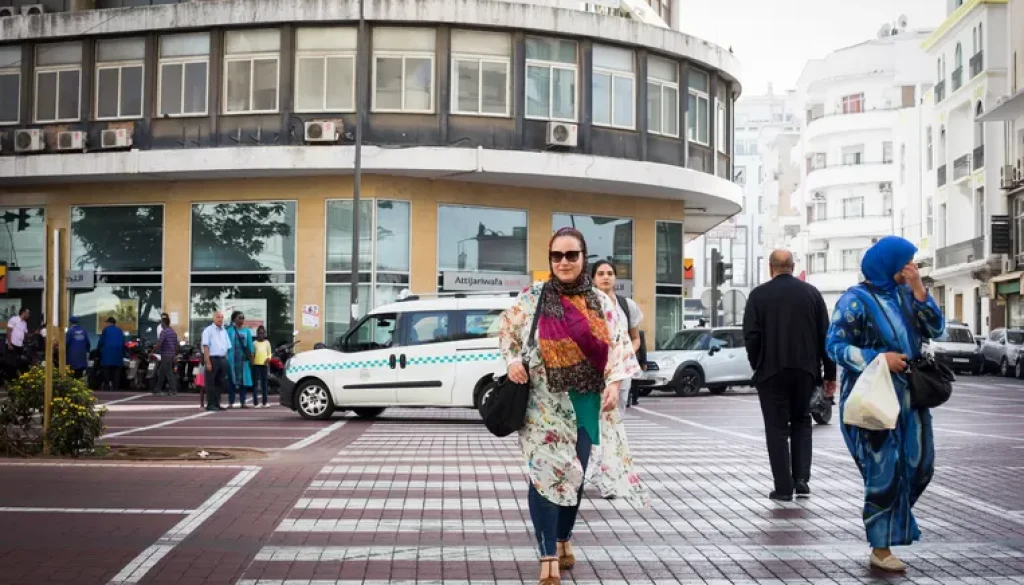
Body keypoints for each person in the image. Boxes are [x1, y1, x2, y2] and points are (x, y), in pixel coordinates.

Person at [498, 227, 648, 585]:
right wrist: (512, 362)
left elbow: (618, 347)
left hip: (585, 401)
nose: (563, 262)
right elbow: (507, 332)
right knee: (542, 478)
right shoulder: (532, 298)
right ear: (550, 260)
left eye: (571, 255)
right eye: (557, 256)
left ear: (583, 257)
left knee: (575, 477)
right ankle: (547, 553)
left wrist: (613, 383)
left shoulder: (602, 302)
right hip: (540, 404)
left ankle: (564, 535)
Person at [826, 236, 944, 572]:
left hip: (911, 398)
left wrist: (920, 288)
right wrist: (879, 359)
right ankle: (881, 547)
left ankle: (892, 521)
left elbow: (936, 328)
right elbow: (834, 345)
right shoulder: (855, 300)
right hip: (873, 400)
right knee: (884, 473)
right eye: (906, 261)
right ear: (888, 263)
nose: (910, 267)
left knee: (921, 466)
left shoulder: (907, 295)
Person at [742, 250, 836, 502]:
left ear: (771, 268)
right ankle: (802, 480)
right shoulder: (812, 294)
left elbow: (751, 336)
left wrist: (758, 364)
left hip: (771, 372)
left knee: (776, 429)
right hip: (806, 371)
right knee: (802, 422)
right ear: (792, 267)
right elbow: (825, 336)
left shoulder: (758, 295)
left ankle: (783, 487)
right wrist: (829, 373)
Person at [590, 260, 643, 412]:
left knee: (617, 415)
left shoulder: (627, 305)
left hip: (621, 371)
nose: (605, 277)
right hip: (595, 371)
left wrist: (625, 353)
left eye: (610, 274)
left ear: (615, 278)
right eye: (600, 274)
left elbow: (636, 338)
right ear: (593, 279)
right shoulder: (586, 305)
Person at [202, 311, 231, 412]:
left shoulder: (224, 331)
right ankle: (210, 404)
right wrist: (208, 362)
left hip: (222, 359)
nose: (220, 319)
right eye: (218, 317)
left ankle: (217, 403)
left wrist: (226, 359)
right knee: (211, 383)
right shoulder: (208, 331)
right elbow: (205, 347)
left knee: (220, 383)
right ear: (214, 318)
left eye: (222, 317)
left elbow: (227, 346)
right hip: (212, 359)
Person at [225, 311, 255, 408]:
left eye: (243, 318)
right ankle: (231, 402)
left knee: (243, 381)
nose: (241, 320)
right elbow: (225, 345)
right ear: (234, 319)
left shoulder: (247, 331)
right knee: (231, 381)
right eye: (239, 318)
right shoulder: (229, 331)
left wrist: (252, 357)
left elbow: (250, 346)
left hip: (243, 360)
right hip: (231, 360)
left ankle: (243, 402)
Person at [152, 314, 179, 395]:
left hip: (165, 355)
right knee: (162, 372)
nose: (161, 325)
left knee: (168, 373)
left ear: (163, 323)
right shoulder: (173, 332)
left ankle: (173, 390)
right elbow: (176, 345)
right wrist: (175, 354)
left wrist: (153, 351)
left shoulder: (164, 332)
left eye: (162, 324)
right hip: (171, 355)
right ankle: (157, 388)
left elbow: (160, 343)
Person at [98, 317, 126, 391]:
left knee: (106, 370)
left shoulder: (106, 330)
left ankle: (107, 386)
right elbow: (123, 342)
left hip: (107, 354)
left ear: (109, 323)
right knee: (116, 372)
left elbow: (101, 342)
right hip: (118, 354)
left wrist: (98, 350)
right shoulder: (119, 330)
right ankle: (116, 387)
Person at [252, 325, 272, 408]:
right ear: (257, 334)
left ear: (265, 334)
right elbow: (252, 354)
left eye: (262, 333)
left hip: (264, 365)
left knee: (264, 384)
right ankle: (256, 403)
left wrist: (268, 359)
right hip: (256, 365)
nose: (261, 335)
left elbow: (269, 353)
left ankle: (265, 402)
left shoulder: (267, 343)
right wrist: (252, 361)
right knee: (255, 384)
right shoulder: (254, 343)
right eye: (259, 333)